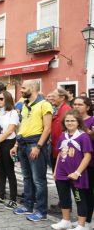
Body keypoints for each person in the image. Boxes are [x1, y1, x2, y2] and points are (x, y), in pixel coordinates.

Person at [10, 79, 52, 222]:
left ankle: (41, 211)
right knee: (27, 178)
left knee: (38, 180)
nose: (21, 90)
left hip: (35, 143)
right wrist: (16, 145)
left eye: (23, 88)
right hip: (22, 143)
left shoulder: (44, 104)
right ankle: (28, 206)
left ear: (33, 88)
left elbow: (47, 128)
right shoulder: (26, 104)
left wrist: (38, 146)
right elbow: (22, 126)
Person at [51, 110, 92, 230]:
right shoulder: (63, 135)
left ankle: (81, 225)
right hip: (61, 172)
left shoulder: (83, 137)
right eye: (67, 120)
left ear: (78, 122)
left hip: (76, 173)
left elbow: (87, 156)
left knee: (79, 198)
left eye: (73, 120)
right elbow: (59, 153)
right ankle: (66, 220)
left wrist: (77, 172)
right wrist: (55, 171)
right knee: (63, 197)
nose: (70, 123)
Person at [0, 91, 20, 209]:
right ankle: (0, 196)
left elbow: (10, 130)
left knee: (9, 171)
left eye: (1, 99)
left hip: (7, 143)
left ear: (7, 99)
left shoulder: (13, 113)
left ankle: (13, 199)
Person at [73, 96, 94, 229]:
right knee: (79, 191)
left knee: (88, 191)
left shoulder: (92, 120)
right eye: (75, 104)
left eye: (80, 104)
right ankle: (82, 218)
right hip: (75, 161)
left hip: (90, 161)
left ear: (87, 107)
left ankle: (88, 220)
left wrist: (90, 133)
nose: (76, 106)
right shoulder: (73, 120)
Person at [50, 88, 72, 171]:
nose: (51, 98)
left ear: (62, 97)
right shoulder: (57, 108)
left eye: (54, 96)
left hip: (62, 150)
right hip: (56, 147)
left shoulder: (66, 109)